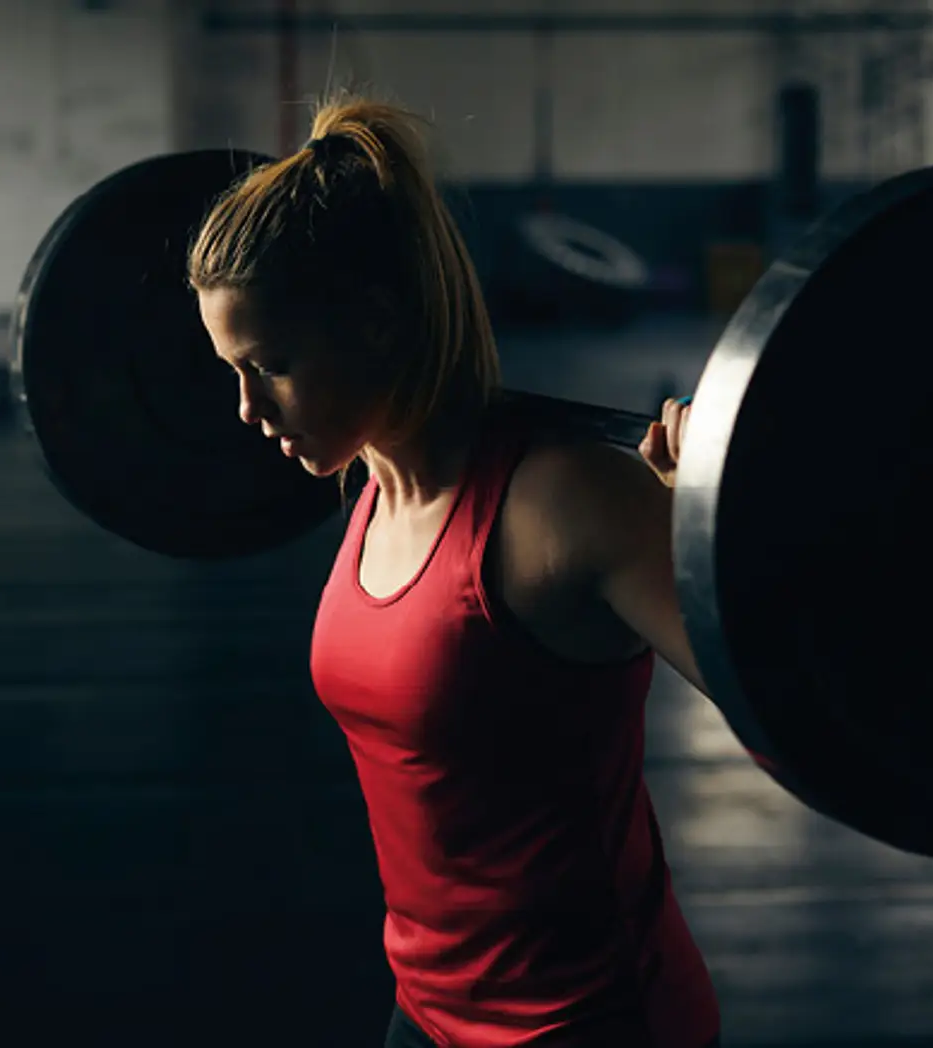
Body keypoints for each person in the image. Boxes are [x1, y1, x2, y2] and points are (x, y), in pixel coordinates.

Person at [187, 94, 720, 1048]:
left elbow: (787, 698)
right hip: (426, 1012)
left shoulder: (566, 501)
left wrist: (711, 528)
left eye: (270, 365)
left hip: (584, 1022)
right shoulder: (370, 492)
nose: (247, 409)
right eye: (233, 369)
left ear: (375, 323)